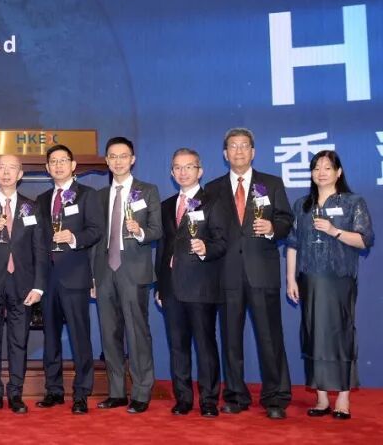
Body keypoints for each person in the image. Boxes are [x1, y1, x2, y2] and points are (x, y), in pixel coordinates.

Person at [203, 127, 293, 420]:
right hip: (226, 274)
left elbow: (286, 220)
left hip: (261, 272)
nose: (239, 151)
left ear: (253, 152)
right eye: (233, 146)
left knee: (270, 338)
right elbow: (205, 230)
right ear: (225, 153)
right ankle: (235, 395)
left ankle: (275, 397)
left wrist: (273, 228)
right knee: (230, 339)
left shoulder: (271, 183)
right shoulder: (212, 189)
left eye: (244, 146)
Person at [286, 150, 374, 421]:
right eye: (316, 168)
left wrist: (335, 231)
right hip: (309, 279)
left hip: (339, 279)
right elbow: (292, 244)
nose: (321, 172)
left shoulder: (352, 202)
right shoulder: (302, 205)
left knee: (339, 334)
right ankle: (322, 398)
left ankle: (343, 398)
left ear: (338, 172)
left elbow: (365, 240)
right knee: (313, 334)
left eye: (327, 167)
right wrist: (290, 278)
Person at [155, 148, 229, 417]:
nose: (183, 172)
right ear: (172, 173)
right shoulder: (166, 205)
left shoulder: (213, 202)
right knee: (178, 346)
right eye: (177, 167)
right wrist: (160, 286)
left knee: (205, 345)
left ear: (200, 171)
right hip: (172, 287)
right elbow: (163, 249)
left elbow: (222, 242)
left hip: (201, 285)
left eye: (189, 167)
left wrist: (206, 248)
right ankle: (183, 398)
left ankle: (208, 400)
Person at [0, 154, 46, 414]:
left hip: (23, 284)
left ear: (20, 174)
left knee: (19, 340)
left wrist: (38, 286)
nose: (6, 172)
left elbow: (40, 249)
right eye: (1, 168)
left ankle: (15, 393)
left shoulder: (32, 207)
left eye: (11, 168)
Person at [92, 137, 162, 413]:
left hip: (133, 270)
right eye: (113, 156)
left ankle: (142, 391)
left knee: (137, 333)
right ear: (106, 161)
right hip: (104, 271)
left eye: (123, 156)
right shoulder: (99, 196)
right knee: (109, 334)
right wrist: (93, 277)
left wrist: (140, 231)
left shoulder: (148, 191)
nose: (118, 161)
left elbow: (157, 230)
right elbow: (95, 240)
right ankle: (117, 392)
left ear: (133, 159)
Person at [36, 144, 102, 414]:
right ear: (47, 168)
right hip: (47, 278)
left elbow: (96, 230)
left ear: (73, 165)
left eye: (63, 160)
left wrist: (74, 238)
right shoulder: (41, 199)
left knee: (79, 337)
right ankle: (53, 390)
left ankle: (81, 393)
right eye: (53, 161)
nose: (58, 165)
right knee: (50, 337)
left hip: (75, 276)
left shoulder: (87, 195)